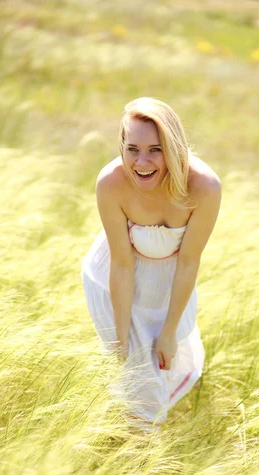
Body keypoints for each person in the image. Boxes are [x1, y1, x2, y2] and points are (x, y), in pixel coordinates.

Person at [81, 97, 221, 431]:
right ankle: (138, 463)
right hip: (113, 279)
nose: (142, 162)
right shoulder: (110, 183)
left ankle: (134, 439)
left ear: (173, 146)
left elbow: (188, 262)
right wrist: (120, 337)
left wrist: (169, 330)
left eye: (155, 150)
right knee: (135, 372)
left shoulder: (203, 187)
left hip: (169, 282)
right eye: (132, 149)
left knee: (164, 358)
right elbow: (121, 264)